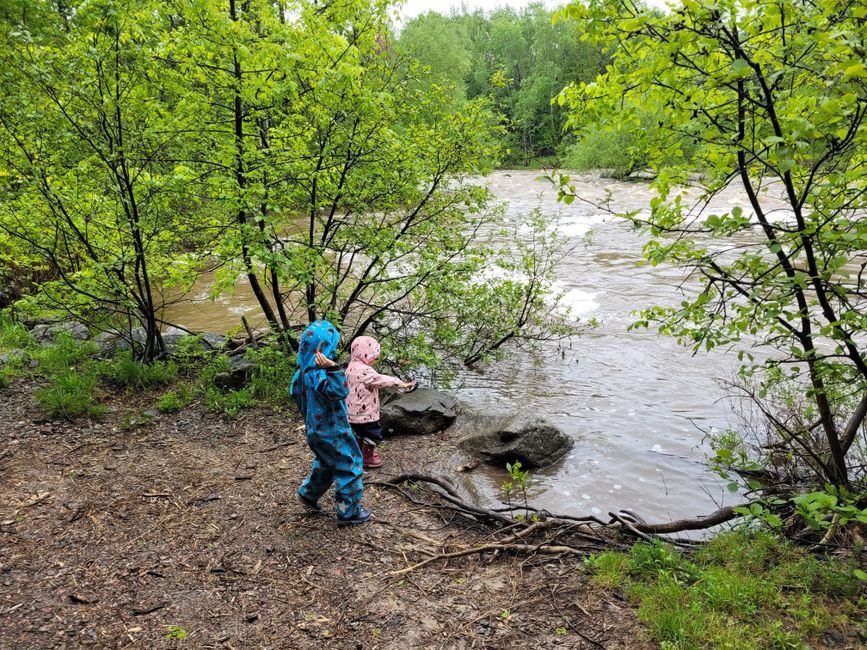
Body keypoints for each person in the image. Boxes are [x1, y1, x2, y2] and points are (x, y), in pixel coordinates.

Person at [290, 320, 370, 525]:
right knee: (350, 464)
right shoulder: (321, 374)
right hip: (334, 430)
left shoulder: (302, 373)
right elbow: (340, 391)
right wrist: (334, 369)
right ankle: (349, 511)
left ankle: (308, 493)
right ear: (325, 349)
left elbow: (296, 395)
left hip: (315, 431)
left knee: (326, 462)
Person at [345, 336, 415, 469]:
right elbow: (380, 380)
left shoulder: (351, 366)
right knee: (374, 434)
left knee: (360, 432)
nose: (374, 360)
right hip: (364, 413)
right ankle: (367, 457)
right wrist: (400, 383)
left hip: (351, 412)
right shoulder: (365, 371)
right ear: (365, 355)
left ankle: (358, 452)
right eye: (373, 357)